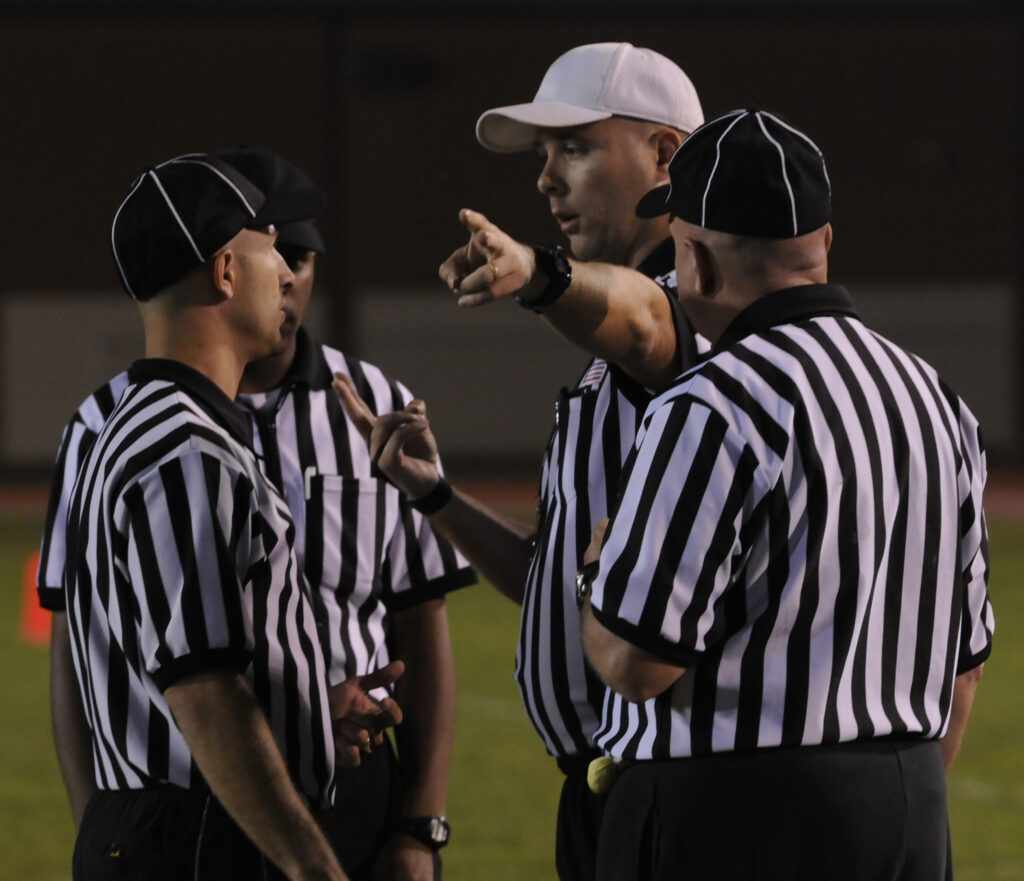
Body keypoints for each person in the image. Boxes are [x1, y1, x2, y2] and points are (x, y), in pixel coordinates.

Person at [575, 108, 994, 880]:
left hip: (731, 813)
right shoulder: (935, 397)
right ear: (824, 243)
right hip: (907, 800)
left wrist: (595, 578)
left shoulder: (711, 402)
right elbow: (962, 667)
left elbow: (637, 660)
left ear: (692, 260)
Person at [38, 147, 473, 881]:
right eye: (270, 249)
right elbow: (207, 695)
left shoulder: (154, 428)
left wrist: (306, 715)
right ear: (225, 271)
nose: (287, 270)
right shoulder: (186, 450)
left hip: (197, 818)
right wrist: (315, 868)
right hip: (205, 833)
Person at [340, 41, 706, 881]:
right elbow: (558, 578)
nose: (545, 180)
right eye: (544, 157)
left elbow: (652, 320)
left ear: (664, 155)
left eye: (574, 147)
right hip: (602, 782)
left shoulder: (690, 305)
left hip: (661, 780)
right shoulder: (607, 342)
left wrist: (541, 275)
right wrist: (436, 498)